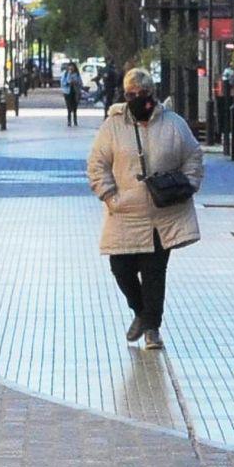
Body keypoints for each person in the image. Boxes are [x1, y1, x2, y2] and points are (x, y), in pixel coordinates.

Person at [86, 67, 204, 349]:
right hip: (124, 212)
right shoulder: (112, 127)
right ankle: (141, 313)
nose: (138, 99)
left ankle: (152, 328)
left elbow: (193, 156)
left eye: (143, 94)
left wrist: (188, 184)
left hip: (162, 215)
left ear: (152, 94)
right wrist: (109, 195)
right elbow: (97, 164)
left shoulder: (173, 124)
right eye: (131, 95)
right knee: (121, 268)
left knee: (154, 273)